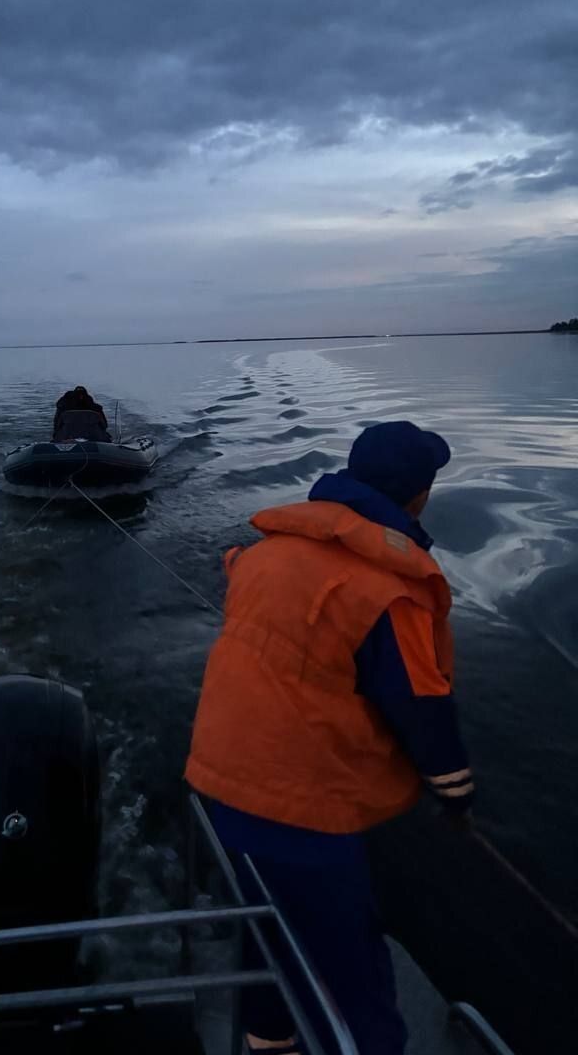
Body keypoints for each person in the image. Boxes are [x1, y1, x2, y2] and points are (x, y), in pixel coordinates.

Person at [185, 421, 474, 1054]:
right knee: (353, 973)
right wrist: (455, 792)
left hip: (215, 781)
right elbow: (422, 708)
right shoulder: (390, 589)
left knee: (267, 938)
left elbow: (244, 581)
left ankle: (270, 1042)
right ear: (418, 495)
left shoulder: (263, 554)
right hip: (298, 809)